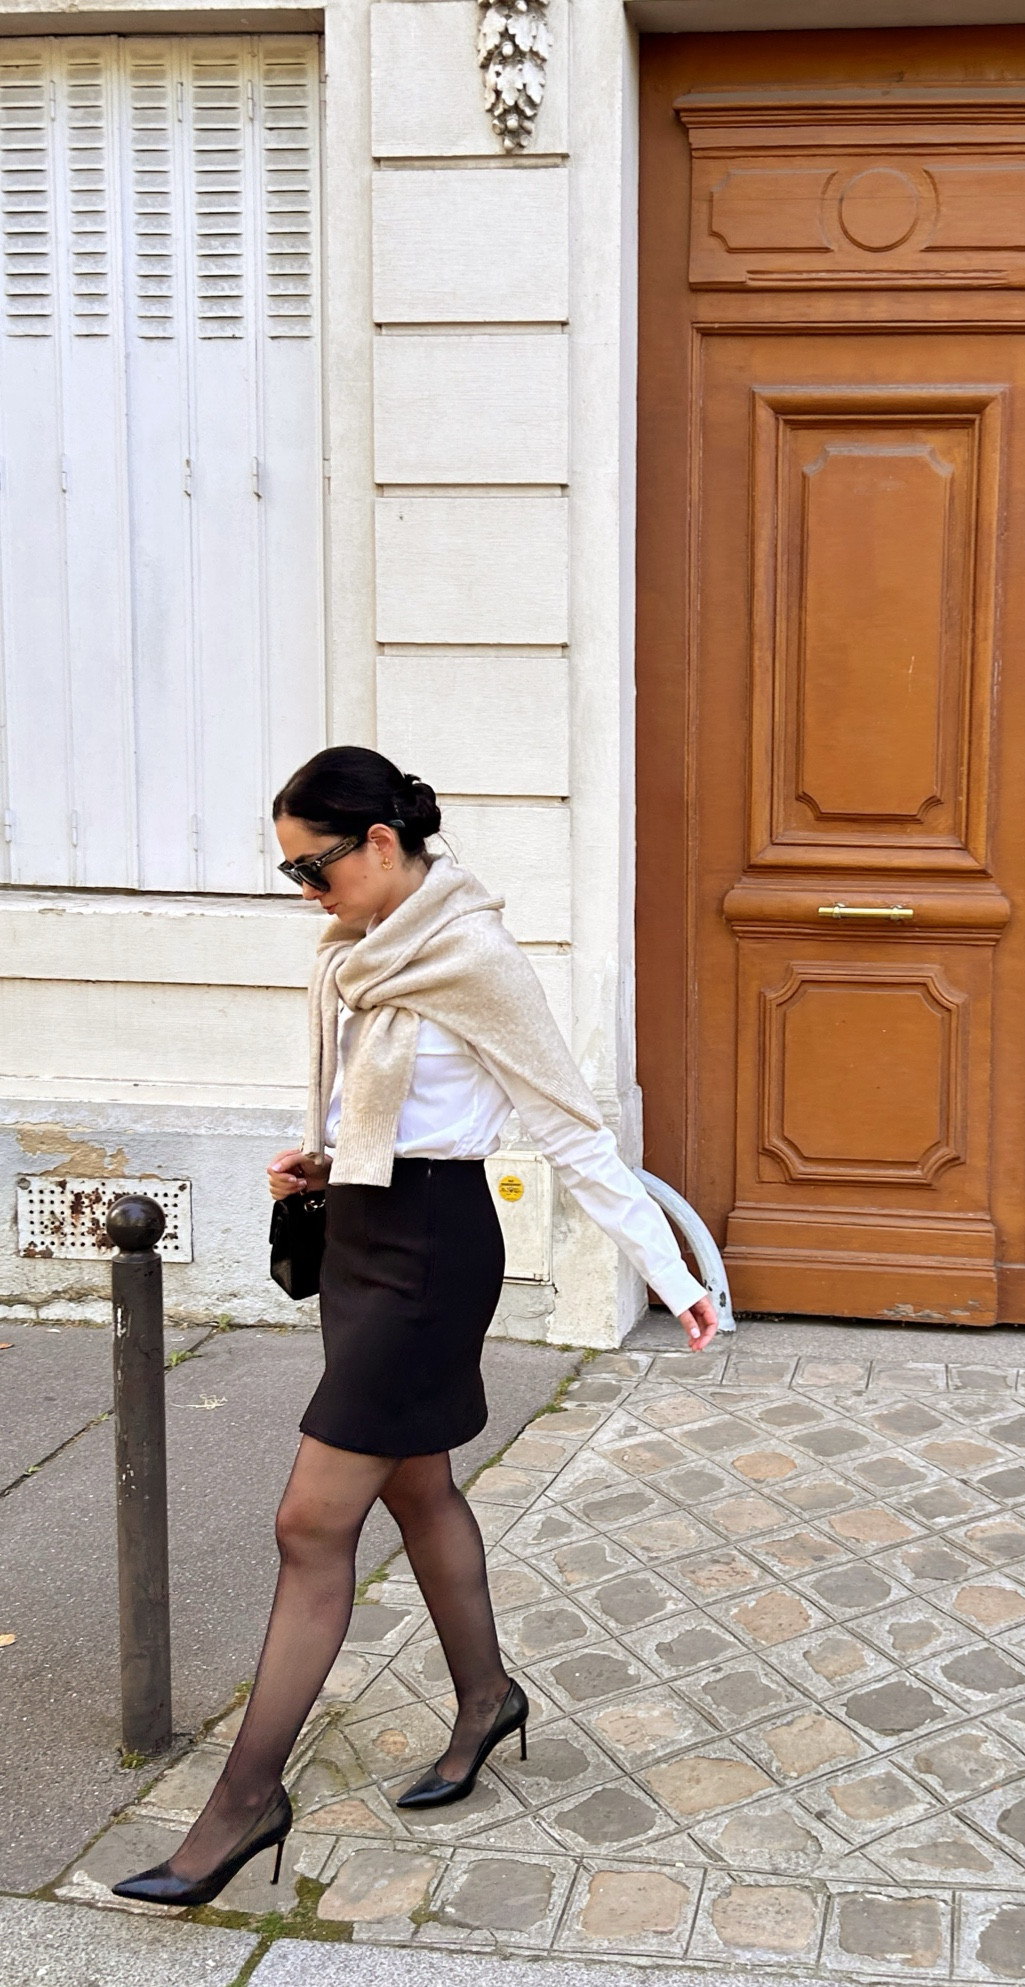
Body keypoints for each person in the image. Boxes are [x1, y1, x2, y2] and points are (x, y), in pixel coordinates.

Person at [113, 747, 717, 1907]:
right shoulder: (355, 956)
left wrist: (671, 1271)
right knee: (418, 1486)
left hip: (435, 1258)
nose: (306, 895)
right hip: (358, 1242)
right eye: (290, 874)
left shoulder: (476, 959)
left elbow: (574, 1132)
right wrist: (322, 1164)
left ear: (380, 843)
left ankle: (245, 1801)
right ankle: (487, 1697)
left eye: (313, 868)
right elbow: (379, 1112)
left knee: (309, 1520)